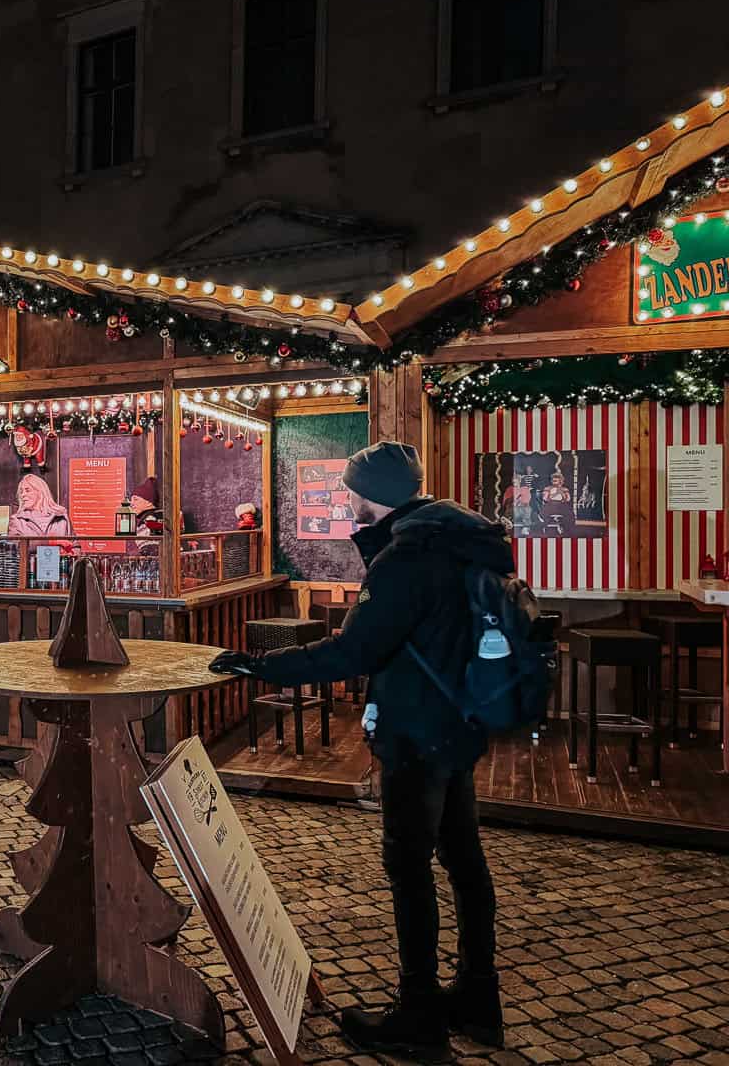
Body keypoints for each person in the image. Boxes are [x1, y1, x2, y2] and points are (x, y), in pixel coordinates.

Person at [210, 441, 509, 1061]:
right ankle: (478, 998)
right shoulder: (456, 537)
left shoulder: (408, 555)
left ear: (370, 493)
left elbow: (353, 651)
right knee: (463, 857)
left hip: (416, 729)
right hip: (460, 720)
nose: (346, 496)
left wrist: (262, 665)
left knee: (410, 866)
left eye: (351, 487)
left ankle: (419, 1016)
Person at [7, 473, 72, 536]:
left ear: (40, 492)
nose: (23, 495)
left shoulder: (61, 516)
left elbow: (74, 542)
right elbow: (15, 542)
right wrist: (49, 541)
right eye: (21, 492)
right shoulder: (17, 520)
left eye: (27, 490)